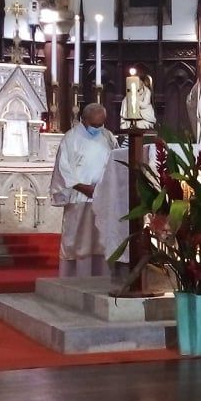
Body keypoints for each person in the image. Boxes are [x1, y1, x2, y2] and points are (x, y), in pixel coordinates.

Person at [50, 103, 119, 277]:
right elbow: (63, 168)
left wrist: (106, 187)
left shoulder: (108, 136)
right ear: (84, 119)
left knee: (101, 243)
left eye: (101, 124)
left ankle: (103, 279)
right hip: (79, 198)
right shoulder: (71, 138)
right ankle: (74, 281)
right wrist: (83, 187)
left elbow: (116, 162)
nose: (98, 128)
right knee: (78, 243)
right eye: (94, 125)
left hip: (103, 199)